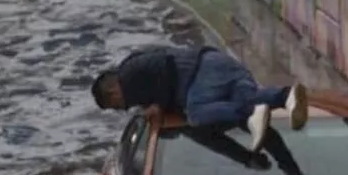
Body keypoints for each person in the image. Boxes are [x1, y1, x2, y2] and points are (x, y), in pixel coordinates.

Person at [90, 44, 309, 151]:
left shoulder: (129, 73)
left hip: (202, 71)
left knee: (195, 114)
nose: (122, 109)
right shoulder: (139, 82)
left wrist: (158, 105)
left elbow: (164, 64)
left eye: (114, 106)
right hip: (223, 67)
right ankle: (286, 96)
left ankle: (251, 114)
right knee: (246, 99)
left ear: (113, 92)